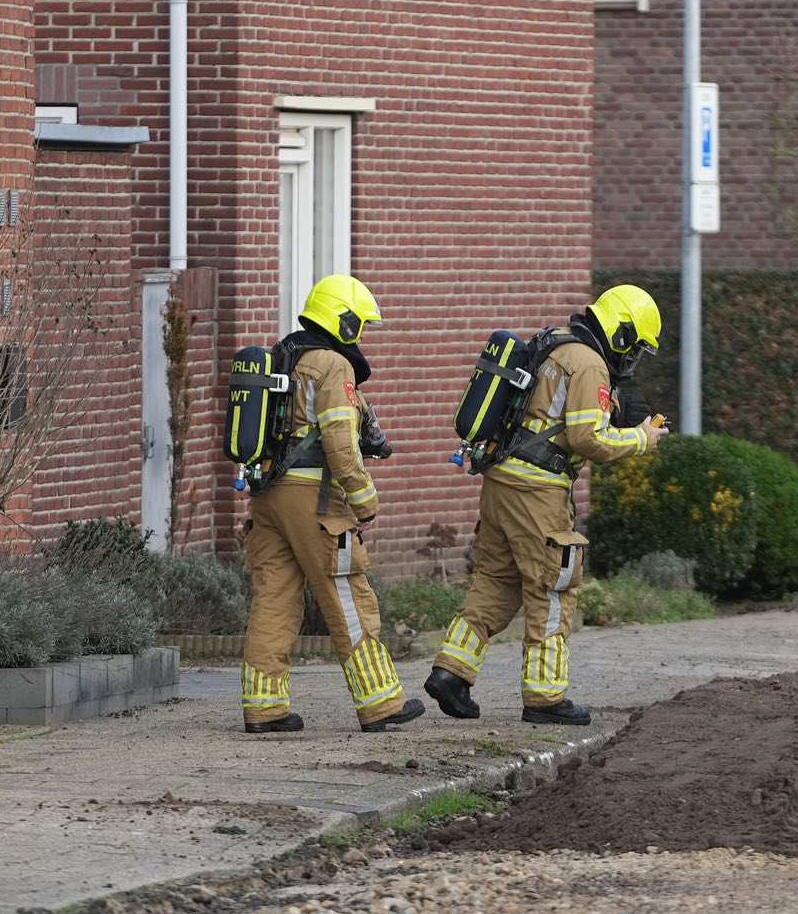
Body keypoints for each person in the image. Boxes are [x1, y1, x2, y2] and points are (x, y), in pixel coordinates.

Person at [425, 285, 668, 725]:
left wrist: (616, 409)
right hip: (538, 492)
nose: (632, 357)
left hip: (502, 481)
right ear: (620, 333)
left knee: (495, 581)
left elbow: (549, 414)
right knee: (552, 589)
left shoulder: (555, 343)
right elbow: (587, 439)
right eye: (633, 347)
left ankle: (451, 672)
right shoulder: (590, 363)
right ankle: (545, 698)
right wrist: (641, 438)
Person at [240, 275, 426, 734]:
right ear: (343, 322)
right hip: (315, 502)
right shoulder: (332, 365)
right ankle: (380, 702)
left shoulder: (284, 356)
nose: (361, 335)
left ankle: (264, 708)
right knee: (348, 597)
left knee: (274, 600)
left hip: (268, 498)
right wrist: (365, 500)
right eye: (360, 325)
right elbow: (340, 444)